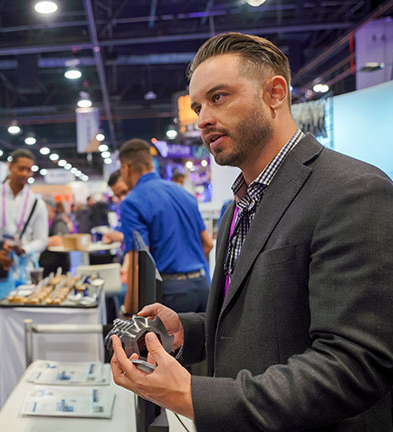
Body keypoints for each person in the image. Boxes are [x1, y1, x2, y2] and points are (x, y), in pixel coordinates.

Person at [111, 32, 393, 431]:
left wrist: (193, 395)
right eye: (197, 106)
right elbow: (265, 323)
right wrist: (188, 331)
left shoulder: (352, 191)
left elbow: (354, 365)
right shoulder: (237, 206)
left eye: (219, 97)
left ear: (275, 93)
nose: (203, 118)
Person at [0, 148, 48, 410]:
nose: (25, 174)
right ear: (9, 167)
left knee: (28, 328)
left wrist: (26, 248)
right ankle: (0, 386)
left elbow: (42, 238)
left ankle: (30, 381)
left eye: (29, 170)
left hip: (26, 274)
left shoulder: (36, 202)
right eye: (21, 168)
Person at [118, 139, 214, 314]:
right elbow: (208, 243)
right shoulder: (185, 194)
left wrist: (130, 310)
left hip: (169, 294)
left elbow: (139, 263)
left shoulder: (132, 202)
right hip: (203, 287)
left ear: (126, 167)